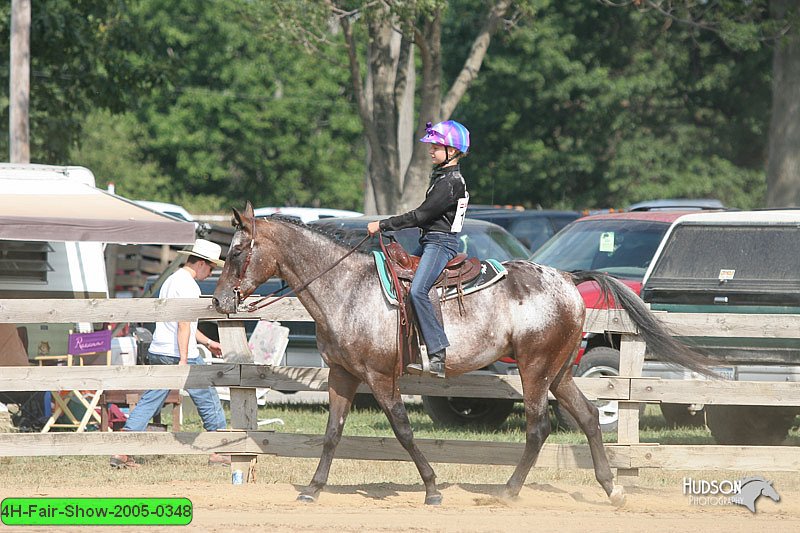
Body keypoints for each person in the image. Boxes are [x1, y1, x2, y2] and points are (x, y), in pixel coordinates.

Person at [110, 239, 229, 468]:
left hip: (160, 349)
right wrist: (184, 359)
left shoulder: (171, 280)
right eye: (212, 267)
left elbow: (180, 324)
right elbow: (184, 324)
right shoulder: (190, 286)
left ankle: (122, 449)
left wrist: (209, 341)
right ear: (202, 264)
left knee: (150, 400)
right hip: (178, 353)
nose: (211, 272)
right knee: (208, 397)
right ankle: (219, 450)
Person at [367, 120, 471, 378]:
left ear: (453, 151)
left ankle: (437, 353)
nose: (430, 151)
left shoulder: (451, 183)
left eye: (436, 146)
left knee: (418, 291)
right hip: (429, 241)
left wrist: (383, 224)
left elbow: (420, 216)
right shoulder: (443, 178)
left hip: (440, 243)